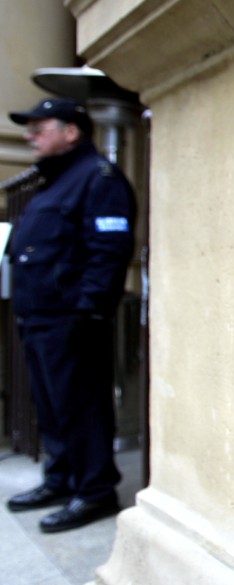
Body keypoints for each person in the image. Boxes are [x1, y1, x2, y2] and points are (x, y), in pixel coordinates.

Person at [4, 98, 136, 533]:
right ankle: (61, 480)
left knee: (81, 408)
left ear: (72, 131)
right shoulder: (53, 182)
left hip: (71, 321)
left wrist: (87, 313)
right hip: (38, 317)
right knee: (50, 406)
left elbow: (108, 254)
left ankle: (95, 491)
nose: (31, 136)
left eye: (40, 128)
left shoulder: (98, 179)